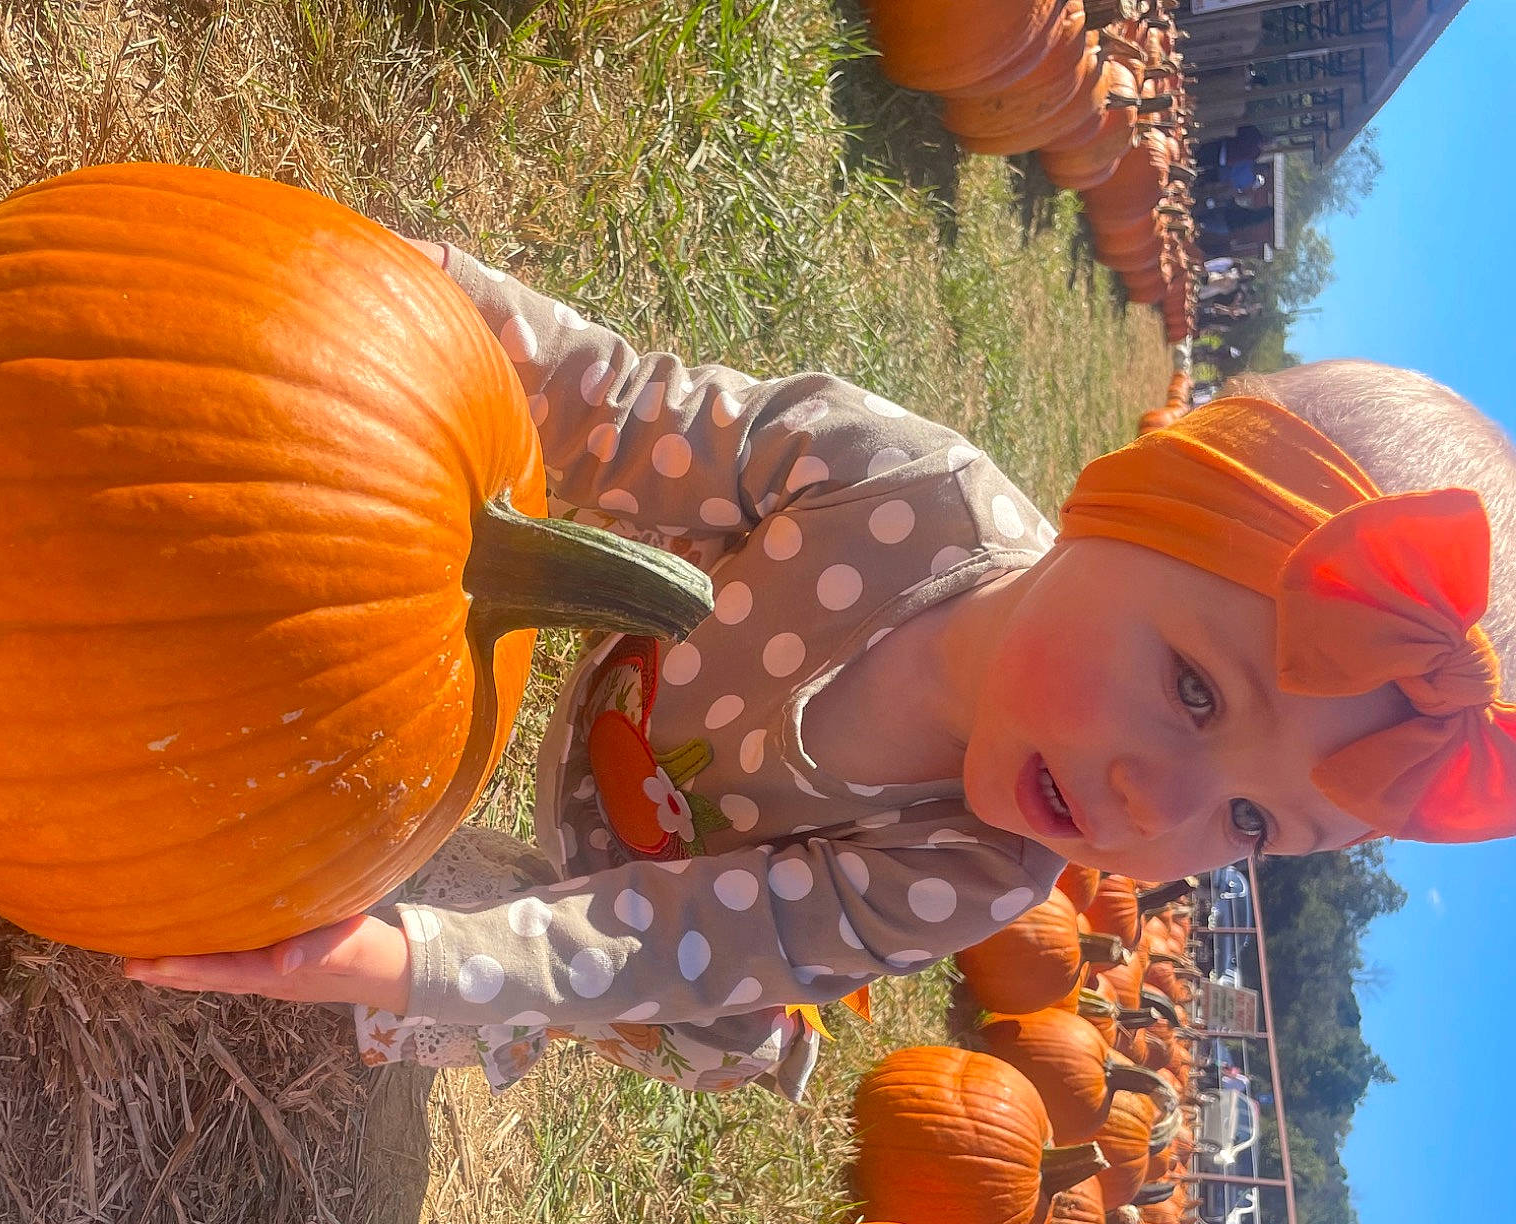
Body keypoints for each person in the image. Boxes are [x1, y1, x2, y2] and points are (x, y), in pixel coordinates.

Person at [126, 244, 1516, 1100]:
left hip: (665, 923)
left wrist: (424, 961)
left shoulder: (975, 869)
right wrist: (414, 315)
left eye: (1253, 827)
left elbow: (678, 936)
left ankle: (597, 997)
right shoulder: (899, 492)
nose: (1161, 809)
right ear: (1121, 501)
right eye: (1200, 695)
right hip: (619, 705)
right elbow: (623, 415)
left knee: (610, 979)